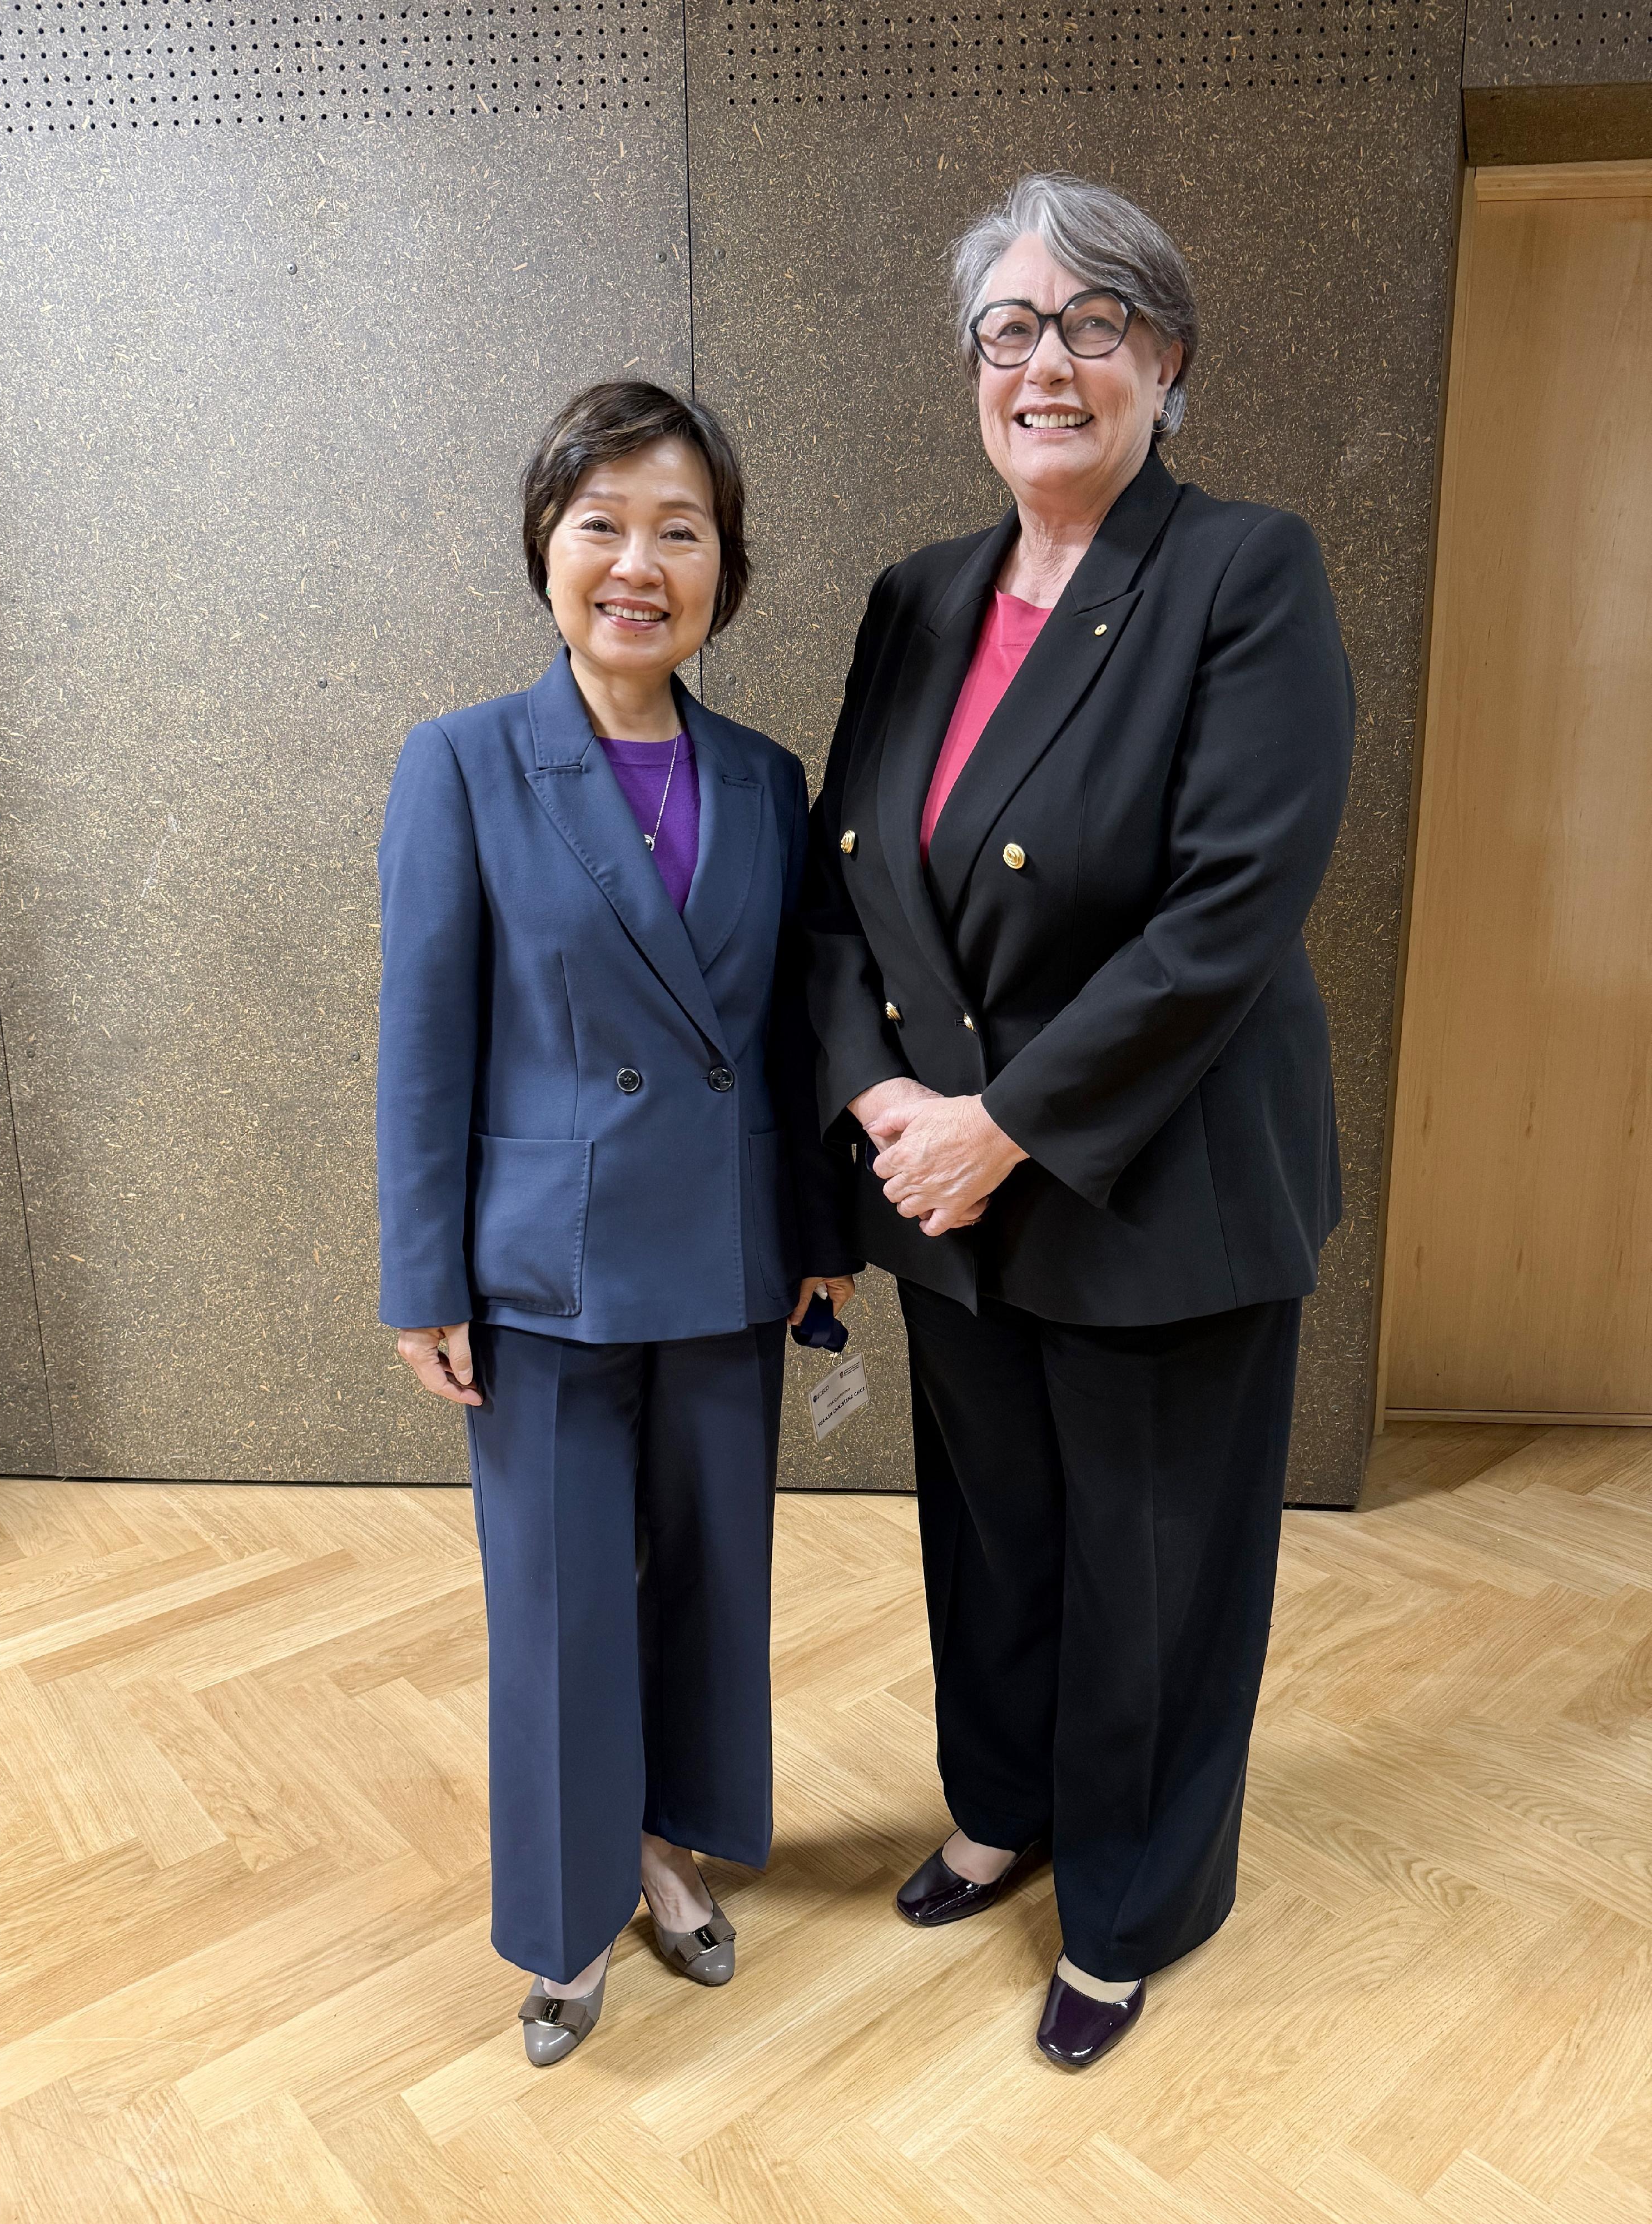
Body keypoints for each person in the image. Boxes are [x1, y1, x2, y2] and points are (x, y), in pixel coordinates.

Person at [802, 174, 1355, 2070]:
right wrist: (881, 1101)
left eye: (1093, 322)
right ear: (973, 369)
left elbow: (1229, 912)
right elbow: (842, 888)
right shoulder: (915, 598)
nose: (1048, 363)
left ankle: (1129, 1902)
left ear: (1166, 361)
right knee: (998, 1539)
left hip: (1154, 1186)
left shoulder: (1239, 572)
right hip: (948, 1191)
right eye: (1011, 330)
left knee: (1155, 1574)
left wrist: (1004, 1124)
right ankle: (1005, 1803)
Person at [377, 380, 855, 2064]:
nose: (638, 563)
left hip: (725, 1253)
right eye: (603, 525)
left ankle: (668, 1847)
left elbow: (796, 1033)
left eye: (680, 530)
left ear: (724, 563)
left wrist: (817, 1230)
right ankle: (566, 1917)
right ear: (545, 548)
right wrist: (419, 1276)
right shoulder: (461, 761)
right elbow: (425, 1031)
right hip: (542, 1271)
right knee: (562, 1599)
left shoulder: (766, 775)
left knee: (710, 1577)